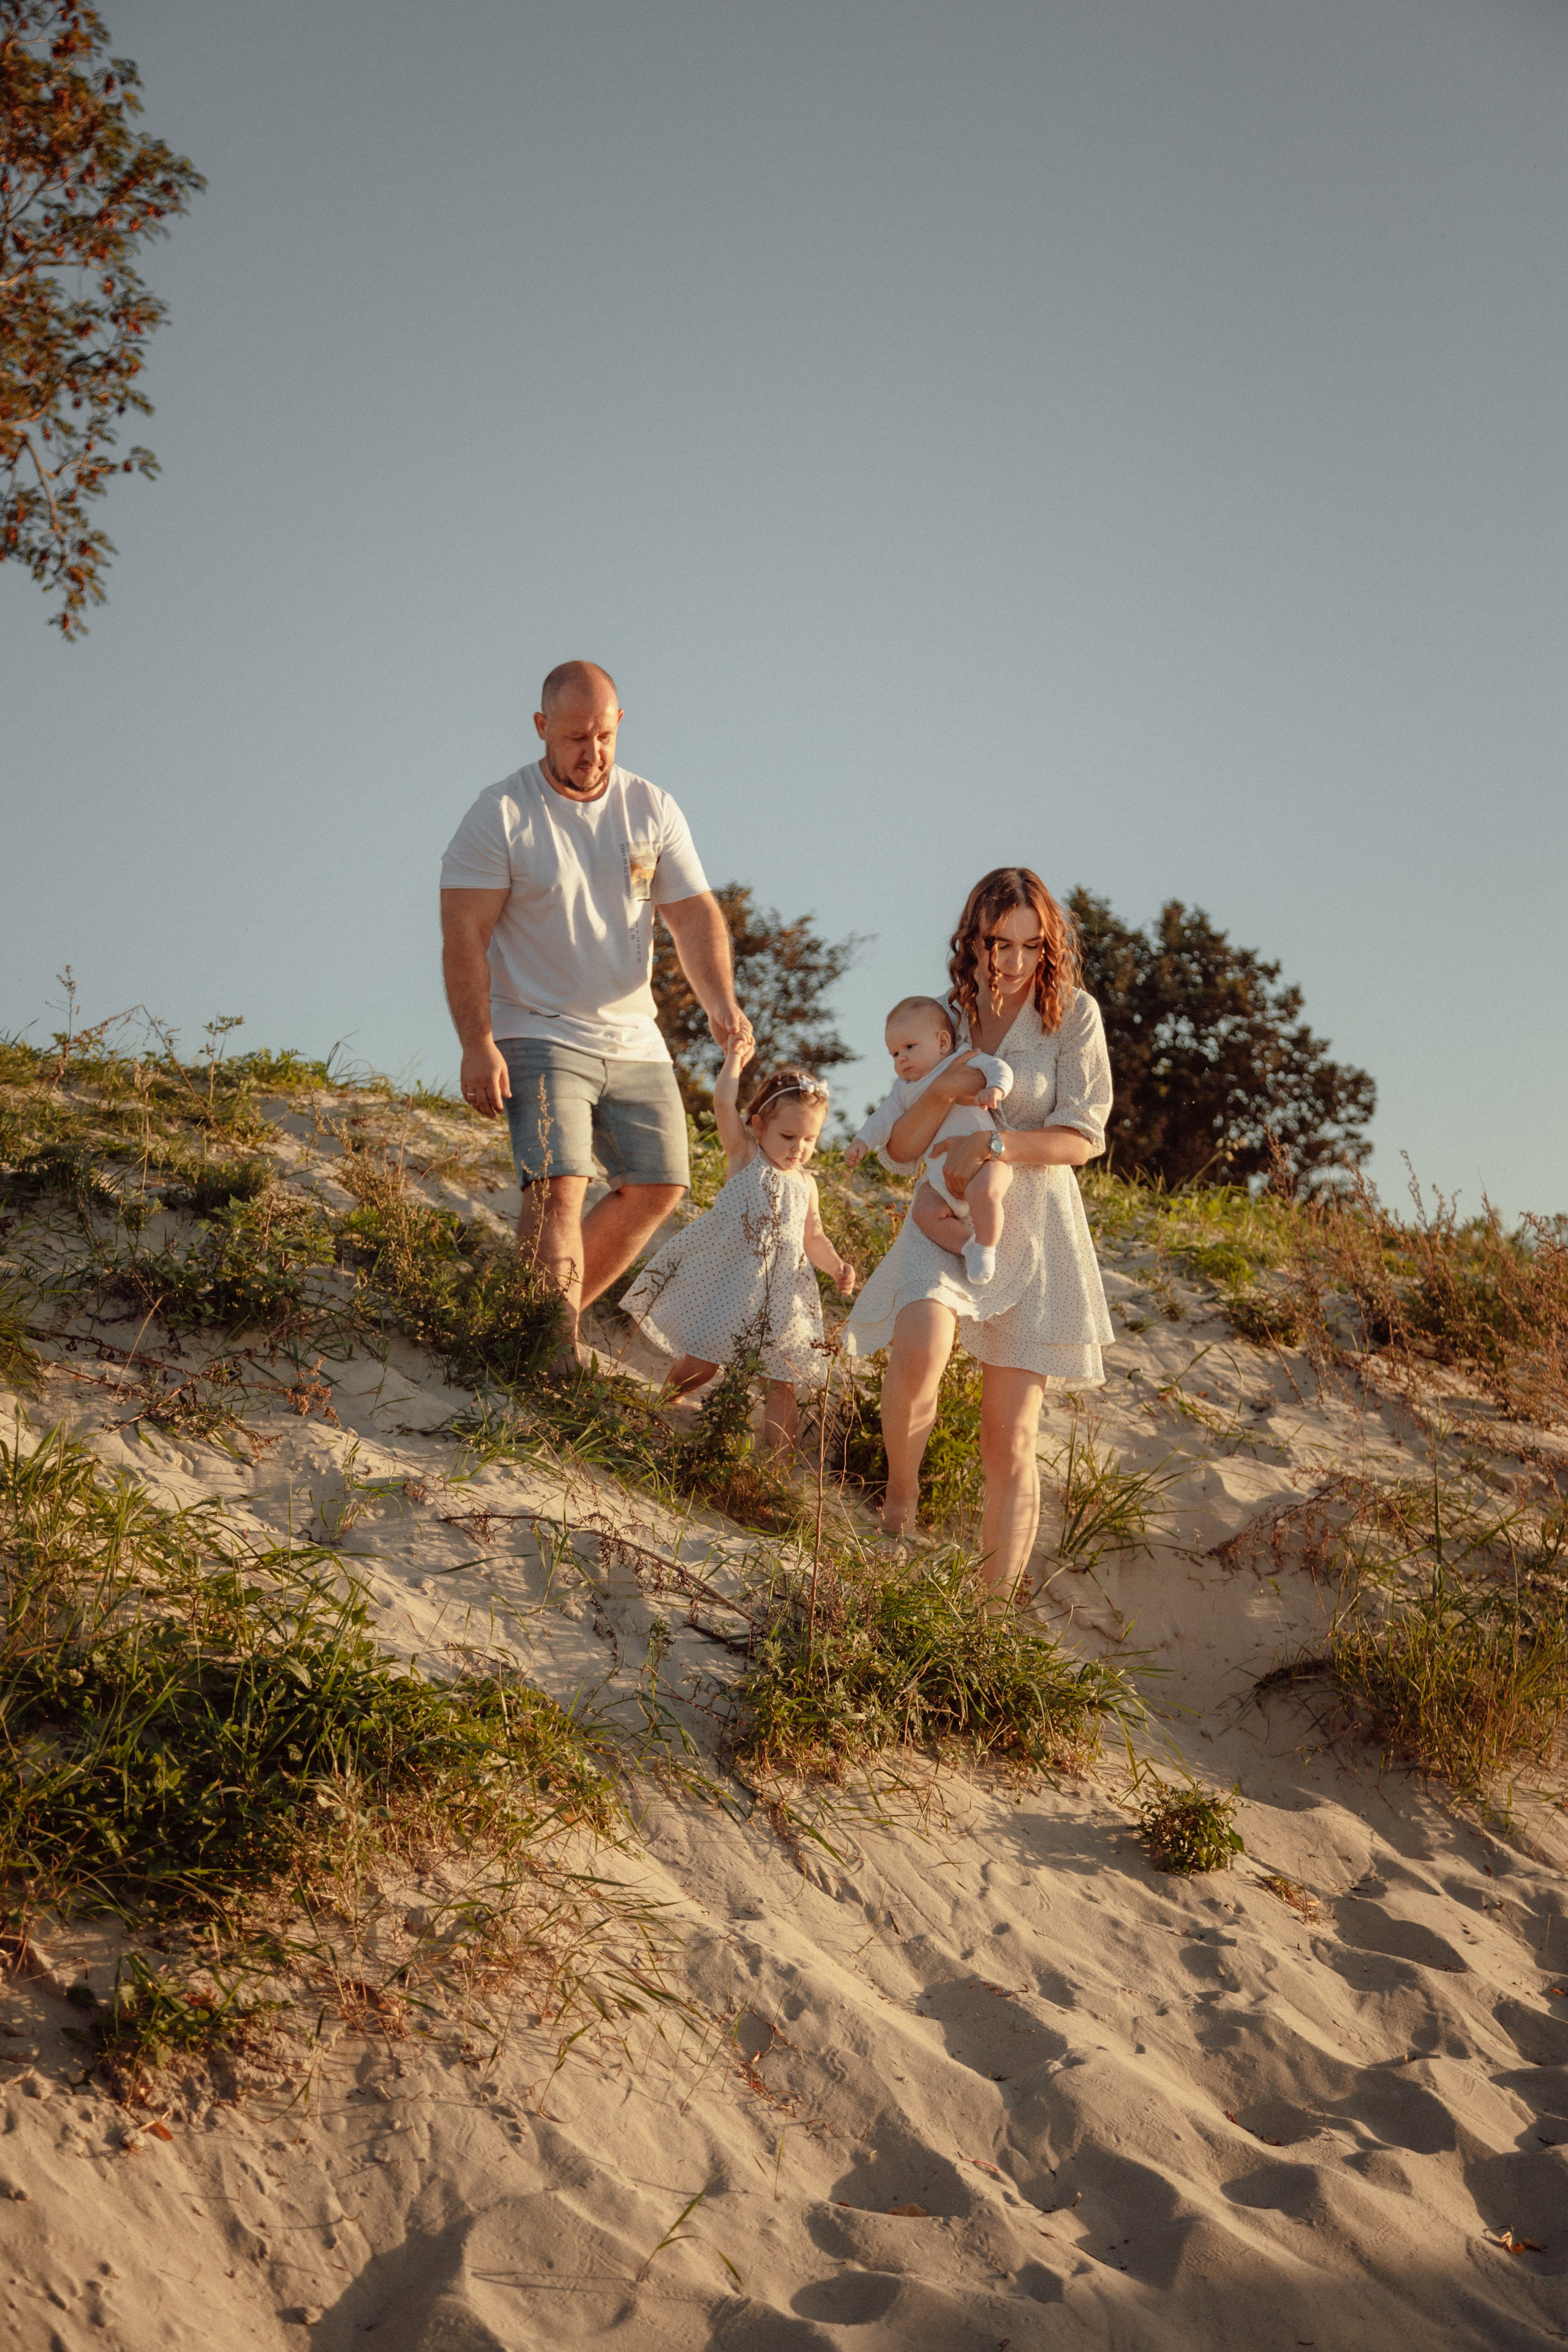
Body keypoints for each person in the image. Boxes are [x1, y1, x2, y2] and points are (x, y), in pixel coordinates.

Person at [439, 660, 751, 1355]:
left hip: (633, 1035)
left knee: (660, 1185)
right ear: (541, 727)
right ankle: (548, 1357)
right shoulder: (501, 814)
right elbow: (464, 937)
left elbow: (692, 914)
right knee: (559, 1184)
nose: (592, 752)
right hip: (535, 1028)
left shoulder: (651, 807)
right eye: (576, 736)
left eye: (605, 735)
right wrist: (477, 1042)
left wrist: (720, 1003)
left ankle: (533, 1329)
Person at [842, 868, 1115, 1598]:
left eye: (1032, 945)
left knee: (1009, 1437)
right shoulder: (944, 1018)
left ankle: (990, 1615)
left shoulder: (1073, 1016)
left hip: (1034, 1221)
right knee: (918, 1345)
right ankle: (901, 1499)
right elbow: (903, 1149)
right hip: (941, 1210)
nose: (1016, 961)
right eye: (1000, 943)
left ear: (1049, 944)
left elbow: (1083, 1138)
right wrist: (940, 1090)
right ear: (973, 939)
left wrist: (995, 1145)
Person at [622, 1044, 857, 1453]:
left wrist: (836, 1266)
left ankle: (780, 1462)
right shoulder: (746, 1155)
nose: (798, 1148)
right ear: (759, 1126)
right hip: (731, 1284)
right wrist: (734, 1059)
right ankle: (664, 1404)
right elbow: (722, 1102)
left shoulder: (807, 1184)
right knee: (702, 1362)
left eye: (810, 1139)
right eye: (788, 1136)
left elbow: (814, 1236)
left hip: (782, 1295)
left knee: (781, 1379)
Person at [845, 994, 1013, 1286]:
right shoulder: (904, 1089)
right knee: (923, 1211)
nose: (902, 1058)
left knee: (986, 1191)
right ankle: (968, 1247)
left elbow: (999, 1068)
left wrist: (997, 1089)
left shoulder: (962, 1059)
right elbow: (882, 1119)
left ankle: (987, 1247)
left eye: (909, 1047)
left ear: (943, 1042)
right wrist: (863, 1141)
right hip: (939, 1177)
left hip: (984, 1161)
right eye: (894, 1054)